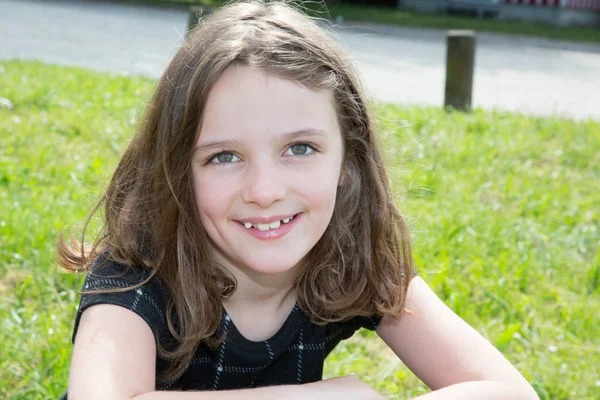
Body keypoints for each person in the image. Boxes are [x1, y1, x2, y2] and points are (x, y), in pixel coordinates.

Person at [58, 1, 539, 399]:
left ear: (348, 166)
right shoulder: (134, 275)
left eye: (300, 148)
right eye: (224, 156)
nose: (265, 191)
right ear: (178, 173)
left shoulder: (350, 258)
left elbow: (508, 392)